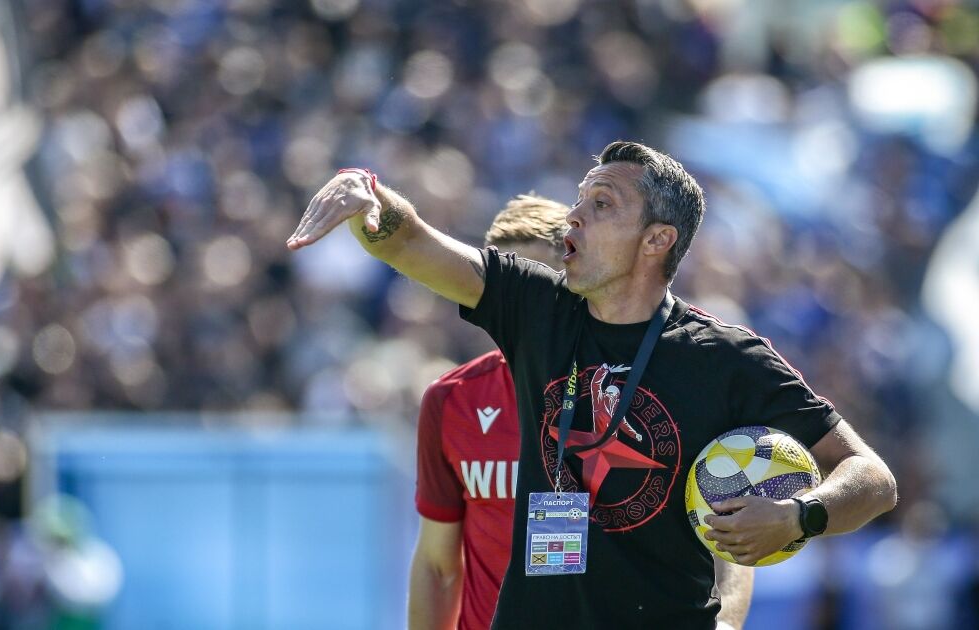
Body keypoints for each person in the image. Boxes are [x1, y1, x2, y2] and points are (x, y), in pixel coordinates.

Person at [288, 142, 898, 629]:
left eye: (602, 204)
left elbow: (873, 478)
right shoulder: (537, 308)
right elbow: (410, 242)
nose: (573, 216)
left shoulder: (726, 358)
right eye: (579, 199)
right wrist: (366, 193)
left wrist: (799, 517)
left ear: (656, 240)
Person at [407, 195, 755, 630]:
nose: (524, 303)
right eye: (508, 287)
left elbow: (722, 530)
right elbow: (437, 565)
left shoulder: (652, 394)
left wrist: (727, 623)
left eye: (541, 287)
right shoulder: (451, 400)